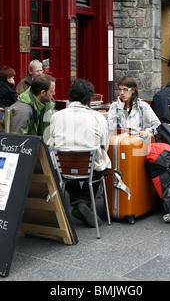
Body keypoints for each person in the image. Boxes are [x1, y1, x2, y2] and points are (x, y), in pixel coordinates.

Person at [49, 79, 111, 228]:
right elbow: (105, 145)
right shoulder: (98, 117)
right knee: (104, 166)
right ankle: (85, 202)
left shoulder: (56, 116)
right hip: (90, 169)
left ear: (70, 96)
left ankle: (77, 201)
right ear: (89, 98)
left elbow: (53, 141)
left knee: (64, 164)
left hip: (63, 169)